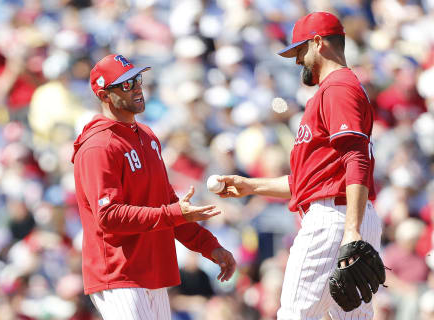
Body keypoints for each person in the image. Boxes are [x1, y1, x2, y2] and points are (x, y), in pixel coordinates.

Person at [217, 12, 382, 319]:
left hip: (336, 219)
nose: (296, 62)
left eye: (299, 51)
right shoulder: (336, 90)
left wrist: (352, 231)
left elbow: (356, 158)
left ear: (318, 43)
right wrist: (251, 185)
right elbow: (312, 182)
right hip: (344, 214)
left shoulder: (337, 88)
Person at [71, 54, 236, 320]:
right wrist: (175, 214)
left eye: (136, 79)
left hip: (152, 271)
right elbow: (108, 216)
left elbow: (167, 204)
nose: (136, 87)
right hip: (118, 274)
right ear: (104, 95)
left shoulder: (147, 136)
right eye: (125, 84)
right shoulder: (98, 146)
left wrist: (209, 246)